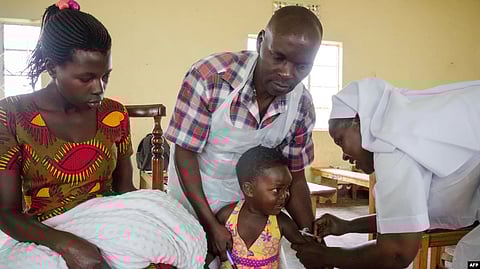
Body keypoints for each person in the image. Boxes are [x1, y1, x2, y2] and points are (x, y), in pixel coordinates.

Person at [0, 1, 206, 268]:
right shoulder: (12, 115)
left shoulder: (114, 115)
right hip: (44, 232)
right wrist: (68, 245)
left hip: (111, 226)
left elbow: (124, 190)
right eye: (86, 78)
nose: (100, 88)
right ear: (52, 68)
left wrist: (152, 225)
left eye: (105, 76)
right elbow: (6, 213)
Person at [165, 5, 323, 264]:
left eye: (302, 66)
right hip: (195, 194)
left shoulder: (301, 105)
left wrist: (311, 236)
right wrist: (210, 224)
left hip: (252, 203)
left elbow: (296, 177)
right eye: (278, 57)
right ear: (262, 41)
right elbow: (185, 154)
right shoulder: (210, 78)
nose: (287, 73)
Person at [292, 78, 480, 269]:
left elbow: (397, 254)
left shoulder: (391, 145)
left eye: (340, 140)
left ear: (359, 120)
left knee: (469, 261)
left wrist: (326, 256)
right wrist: (347, 226)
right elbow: (402, 220)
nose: (344, 156)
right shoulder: (400, 130)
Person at [210, 146, 312, 268]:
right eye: (277, 189)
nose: (285, 195)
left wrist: (314, 239)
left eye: (287, 188)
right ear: (249, 189)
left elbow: (306, 246)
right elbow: (211, 249)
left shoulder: (281, 223)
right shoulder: (226, 216)